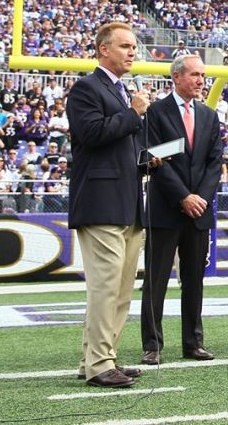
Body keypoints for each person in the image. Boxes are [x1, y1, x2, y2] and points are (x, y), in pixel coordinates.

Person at [65, 22, 150, 388]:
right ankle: (100, 363)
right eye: (126, 46)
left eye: (134, 47)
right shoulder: (87, 88)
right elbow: (91, 134)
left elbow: (121, 150)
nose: (133, 52)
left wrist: (148, 161)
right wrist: (132, 114)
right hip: (101, 203)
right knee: (105, 286)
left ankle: (99, 359)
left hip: (128, 203)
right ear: (103, 49)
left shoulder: (120, 90)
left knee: (121, 288)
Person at [139, 55, 221, 365]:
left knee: (194, 279)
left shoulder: (208, 115)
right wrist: (184, 197)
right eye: (195, 74)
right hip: (166, 208)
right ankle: (152, 344)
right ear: (176, 77)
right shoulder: (155, 112)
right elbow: (156, 160)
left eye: (203, 74)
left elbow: (214, 163)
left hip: (199, 211)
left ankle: (193, 342)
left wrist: (200, 197)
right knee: (156, 279)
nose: (201, 80)